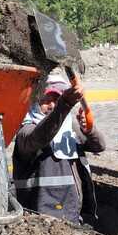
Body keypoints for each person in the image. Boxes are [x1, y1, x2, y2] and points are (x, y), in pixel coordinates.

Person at [12, 75, 106, 224]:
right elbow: (41, 136)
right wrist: (64, 104)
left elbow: (99, 146)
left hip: (71, 210)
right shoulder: (26, 131)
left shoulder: (69, 128)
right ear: (34, 104)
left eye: (55, 100)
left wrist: (88, 129)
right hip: (42, 216)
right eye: (45, 101)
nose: (51, 106)